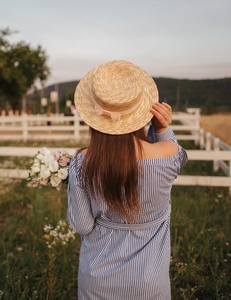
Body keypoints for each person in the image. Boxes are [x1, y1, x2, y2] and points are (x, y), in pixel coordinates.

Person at [67, 60, 188, 299]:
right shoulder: (169, 155)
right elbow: (178, 155)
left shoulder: (82, 162)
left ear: (93, 115)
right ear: (142, 110)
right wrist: (162, 128)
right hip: (149, 282)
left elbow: (81, 225)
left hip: (98, 279)